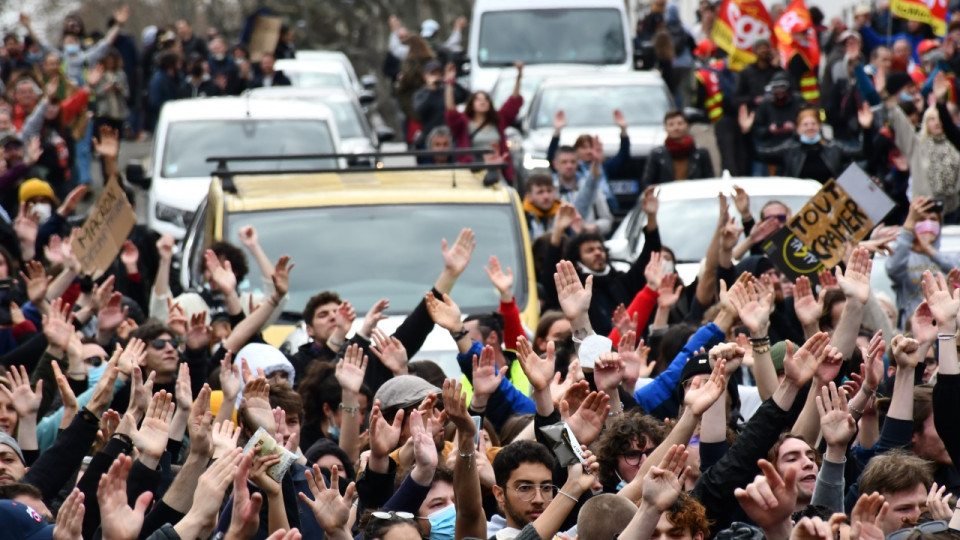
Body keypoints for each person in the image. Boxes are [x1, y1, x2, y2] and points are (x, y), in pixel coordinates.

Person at [747, 102, 873, 183]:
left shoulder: (834, 148)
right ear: (798, 128)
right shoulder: (789, 150)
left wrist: (866, 129)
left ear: (819, 126)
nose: (810, 127)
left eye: (813, 124)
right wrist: (746, 133)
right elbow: (757, 154)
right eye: (805, 124)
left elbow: (863, 153)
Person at [445, 61, 523, 182]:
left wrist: (519, 76)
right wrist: (449, 84)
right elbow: (451, 111)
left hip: (497, 172)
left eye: (486, 99)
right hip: (472, 173)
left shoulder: (498, 121)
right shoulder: (464, 124)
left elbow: (513, 102)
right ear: (471, 104)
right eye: (478, 99)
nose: (483, 102)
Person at [642, 110, 714, 187]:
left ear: (687, 126)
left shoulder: (701, 154)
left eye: (680, 123)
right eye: (671, 125)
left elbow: (710, 182)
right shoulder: (656, 155)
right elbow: (647, 184)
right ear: (665, 128)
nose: (676, 128)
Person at [523, 174, 561, 239]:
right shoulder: (522, 218)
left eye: (549, 191)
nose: (546, 196)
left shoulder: (563, 215)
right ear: (529, 197)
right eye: (540, 192)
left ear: (555, 193)